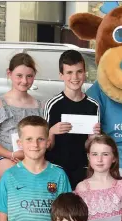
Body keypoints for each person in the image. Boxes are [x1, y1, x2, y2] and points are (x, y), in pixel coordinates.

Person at [44, 50, 101, 189]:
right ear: (61, 75)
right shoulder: (52, 104)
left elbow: (92, 145)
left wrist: (94, 137)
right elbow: (46, 145)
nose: (75, 77)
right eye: (69, 72)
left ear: (85, 73)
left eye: (79, 71)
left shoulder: (93, 105)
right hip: (57, 168)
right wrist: (51, 131)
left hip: (83, 167)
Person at [0, 53, 44, 182]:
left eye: (29, 76)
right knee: (20, 176)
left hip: (32, 157)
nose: (24, 81)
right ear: (9, 73)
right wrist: (11, 155)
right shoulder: (0, 104)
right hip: (2, 157)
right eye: (19, 76)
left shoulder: (39, 105)